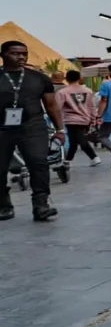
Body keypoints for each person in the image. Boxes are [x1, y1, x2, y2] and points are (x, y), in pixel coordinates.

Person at [0, 41, 62, 221]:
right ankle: (3, 204)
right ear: (3, 55)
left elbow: (51, 105)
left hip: (32, 125)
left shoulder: (39, 78)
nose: (21, 57)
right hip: (2, 128)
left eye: (24, 53)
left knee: (38, 163)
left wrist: (60, 130)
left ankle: (41, 204)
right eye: (15, 53)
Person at [56, 70, 101, 167]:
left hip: (70, 119)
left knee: (80, 140)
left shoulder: (62, 92)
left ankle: (94, 157)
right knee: (74, 140)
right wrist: (93, 119)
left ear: (66, 79)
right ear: (79, 78)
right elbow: (92, 106)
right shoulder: (88, 91)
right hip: (85, 119)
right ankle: (68, 160)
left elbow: (57, 108)